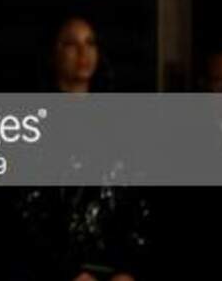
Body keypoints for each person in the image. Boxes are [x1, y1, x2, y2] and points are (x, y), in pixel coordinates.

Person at [15, 16, 147, 281]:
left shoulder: (118, 120)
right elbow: (27, 208)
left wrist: (128, 268)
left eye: (90, 43)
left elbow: (135, 197)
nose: (83, 53)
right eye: (71, 44)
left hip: (113, 267)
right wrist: (67, 271)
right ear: (54, 52)